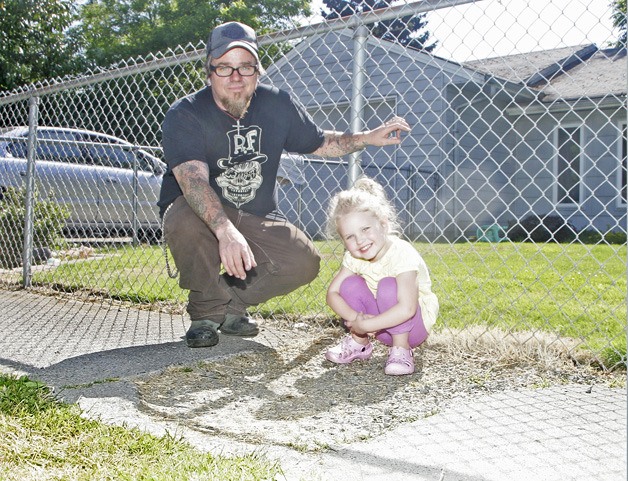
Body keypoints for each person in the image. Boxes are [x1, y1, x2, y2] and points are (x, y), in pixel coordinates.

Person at [158, 21, 411, 348]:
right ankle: (205, 313)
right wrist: (225, 231)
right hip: (194, 208)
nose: (236, 77)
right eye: (225, 68)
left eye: (245, 67)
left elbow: (319, 142)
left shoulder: (277, 104)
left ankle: (231, 305)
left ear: (257, 72)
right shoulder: (186, 112)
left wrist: (366, 138)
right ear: (209, 72)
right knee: (189, 221)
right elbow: (192, 181)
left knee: (303, 261)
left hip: (255, 212)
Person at [324, 177, 439, 375]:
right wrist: (356, 321)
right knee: (349, 284)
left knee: (388, 286)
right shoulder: (353, 257)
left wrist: (367, 324)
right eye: (350, 236)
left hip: (412, 329)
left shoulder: (402, 253)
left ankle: (401, 351)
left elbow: (407, 308)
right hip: (379, 329)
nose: (360, 240)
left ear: (383, 225)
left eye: (365, 229)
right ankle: (359, 343)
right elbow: (332, 293)